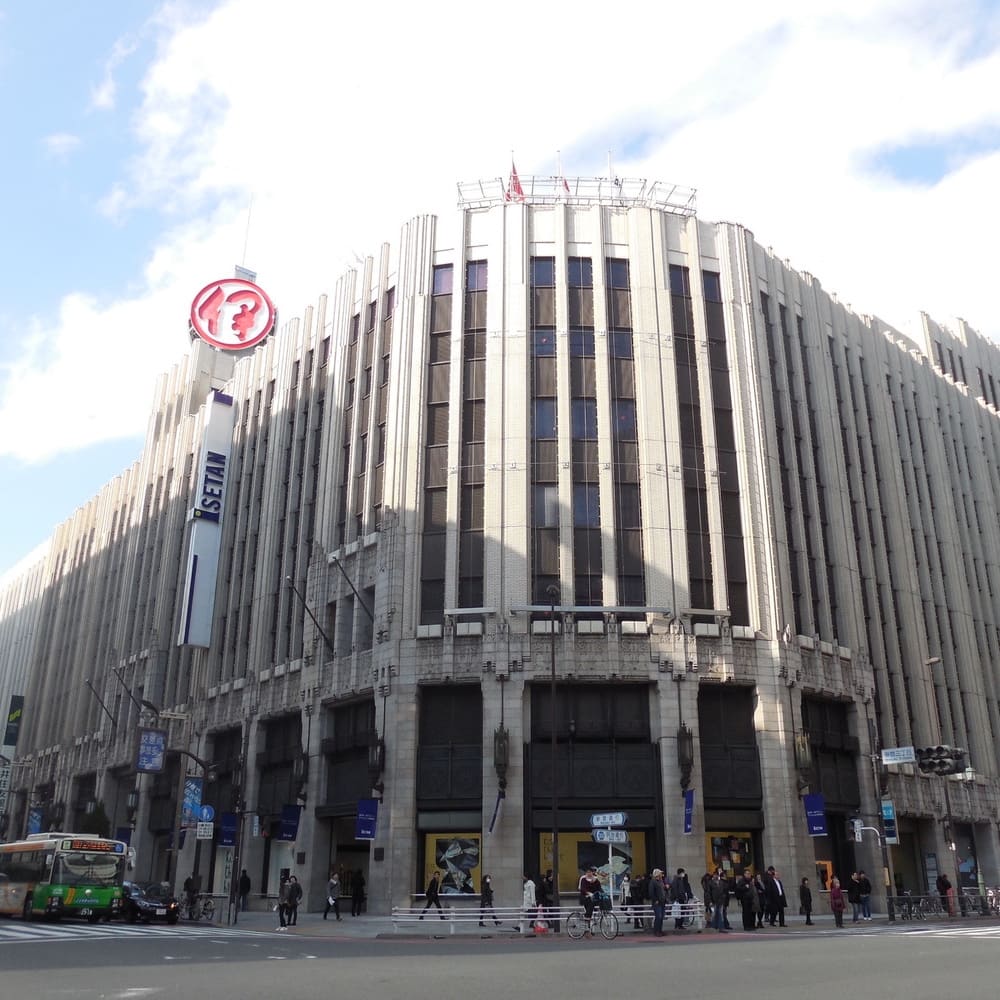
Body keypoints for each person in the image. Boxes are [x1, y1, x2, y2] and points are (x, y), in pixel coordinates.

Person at [648, 868, 667, 936]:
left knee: (661, 917)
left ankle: (660, 930)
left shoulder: (661, 881)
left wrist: (666, 888)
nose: (661, 875)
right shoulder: (653, 882)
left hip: (662, 901)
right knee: (658, 916)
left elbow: (663, 891)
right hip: (657, 902)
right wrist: (655, 900)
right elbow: (651, 892)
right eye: (660, 873)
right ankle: (656, 931)